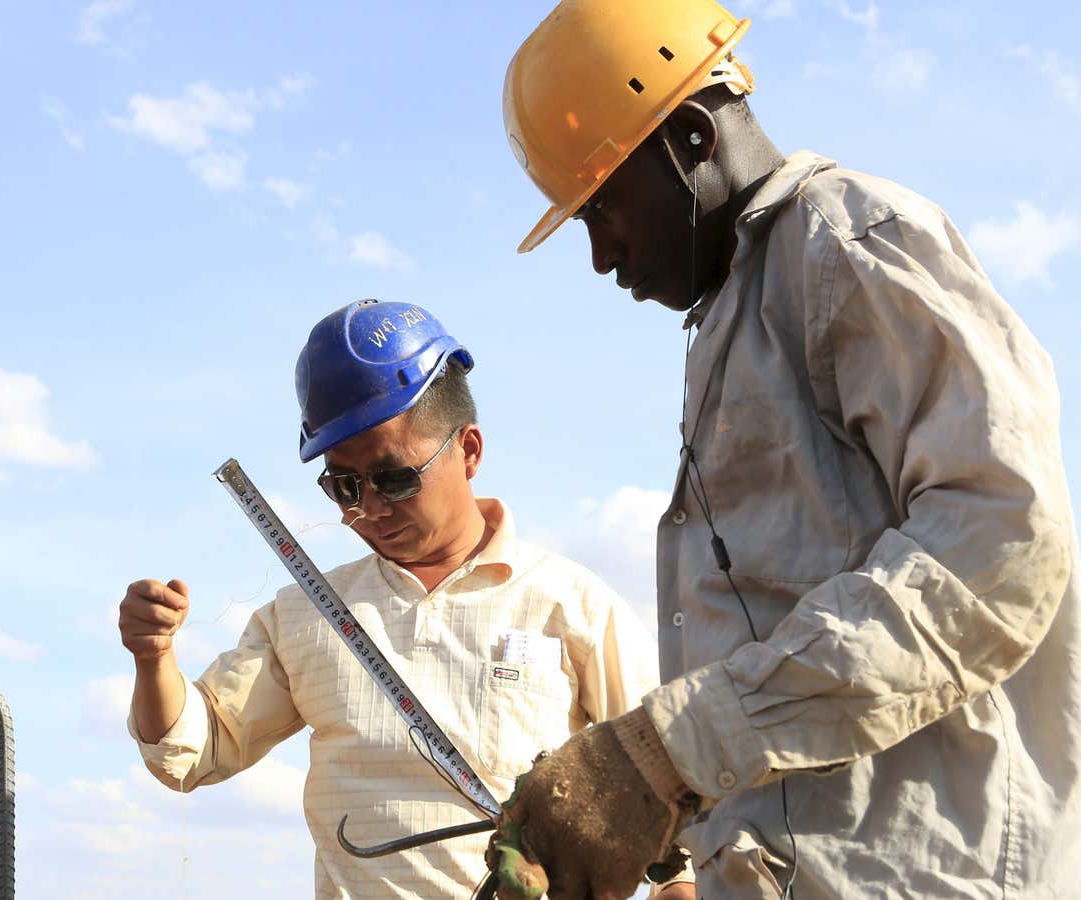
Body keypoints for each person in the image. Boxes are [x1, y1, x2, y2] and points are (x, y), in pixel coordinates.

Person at [482, 1, 1081, 898]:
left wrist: (673, 750)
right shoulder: (738, 314)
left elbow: (999, 542)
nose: (602, 256)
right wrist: (669, 801)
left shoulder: (849, 244)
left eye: (603, 208)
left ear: (689, 136)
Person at [119, 299, 678, 898]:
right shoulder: (303, 613)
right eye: (344, 485)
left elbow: (672, 764)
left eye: (394, 478)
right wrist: (153, 657)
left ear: (469, 451)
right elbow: (194, 750)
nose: (371, 508)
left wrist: (679, 882)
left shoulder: (571, 605)